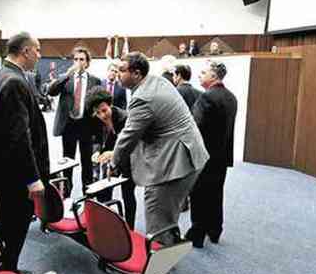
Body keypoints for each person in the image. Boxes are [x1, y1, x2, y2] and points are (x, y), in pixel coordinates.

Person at [109, 52, 209, 245]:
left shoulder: (143, 98)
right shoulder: (158, 81)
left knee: (158, 221)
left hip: (175, 164)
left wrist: (114, 161)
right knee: (168, 216)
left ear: (137, 73)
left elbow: (129, 136)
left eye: (121, 70)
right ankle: (168, 255)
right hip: (190, 155)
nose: (117, 73)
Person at [0, 32, 48, 274]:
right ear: (26, 51)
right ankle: (8, 273)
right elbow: (19, 137)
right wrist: (32, 178)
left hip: (4, 169)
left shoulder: (3, 75)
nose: (39, 55)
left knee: (6, 222)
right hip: (15, 174)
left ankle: (4, 266)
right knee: (16, 225)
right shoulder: (14, 81)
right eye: (37, 50)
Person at [186, 61, 238, 248]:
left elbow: (194, 127)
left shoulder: (206, 98)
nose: (199, 75)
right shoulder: (232, 98)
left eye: (203, 72)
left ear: (214, 76)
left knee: (199, 194)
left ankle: (197, 234)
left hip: (205, 156)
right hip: (222, 156)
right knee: (216, 193)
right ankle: (215, 230)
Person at [47, 47, 102, 197]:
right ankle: (66, 193)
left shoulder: (95, 80)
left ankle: (88, 194)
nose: (78, 62)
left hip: (86, 126)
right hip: (69, 125)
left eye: (82, 59)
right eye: (76, 59)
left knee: (87, 162)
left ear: (87, 62)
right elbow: (51, 91)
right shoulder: (66, 78)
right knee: (68, 161)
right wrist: (66, 75)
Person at [86, 86, 137, 229]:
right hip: (110, 161)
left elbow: (129, 145)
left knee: (128, 194)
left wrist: (113, 154)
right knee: (104, 192)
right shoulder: (95, 119)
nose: (102, 115)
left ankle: (130, 228)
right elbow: (96, 139)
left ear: (110, 105)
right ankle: (106, 226)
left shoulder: (125, 118)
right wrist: (96, 151)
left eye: (104, 110)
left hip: (128, 159)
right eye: (98, 113)